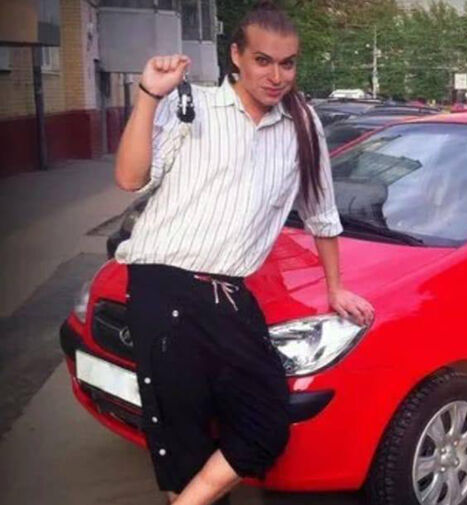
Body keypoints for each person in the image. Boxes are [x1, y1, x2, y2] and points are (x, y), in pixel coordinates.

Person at [113, 2, 374, 504]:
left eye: (287, 63)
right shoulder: (193, 106)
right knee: (184, 436)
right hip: (163, 285)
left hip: (228, 292)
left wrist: (335, 287)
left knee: (265, 424)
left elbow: (322, 213)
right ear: (236, 55)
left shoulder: (302, 124)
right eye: (263, 61)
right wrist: (148, 96)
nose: (276, 76)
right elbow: (129, 178)